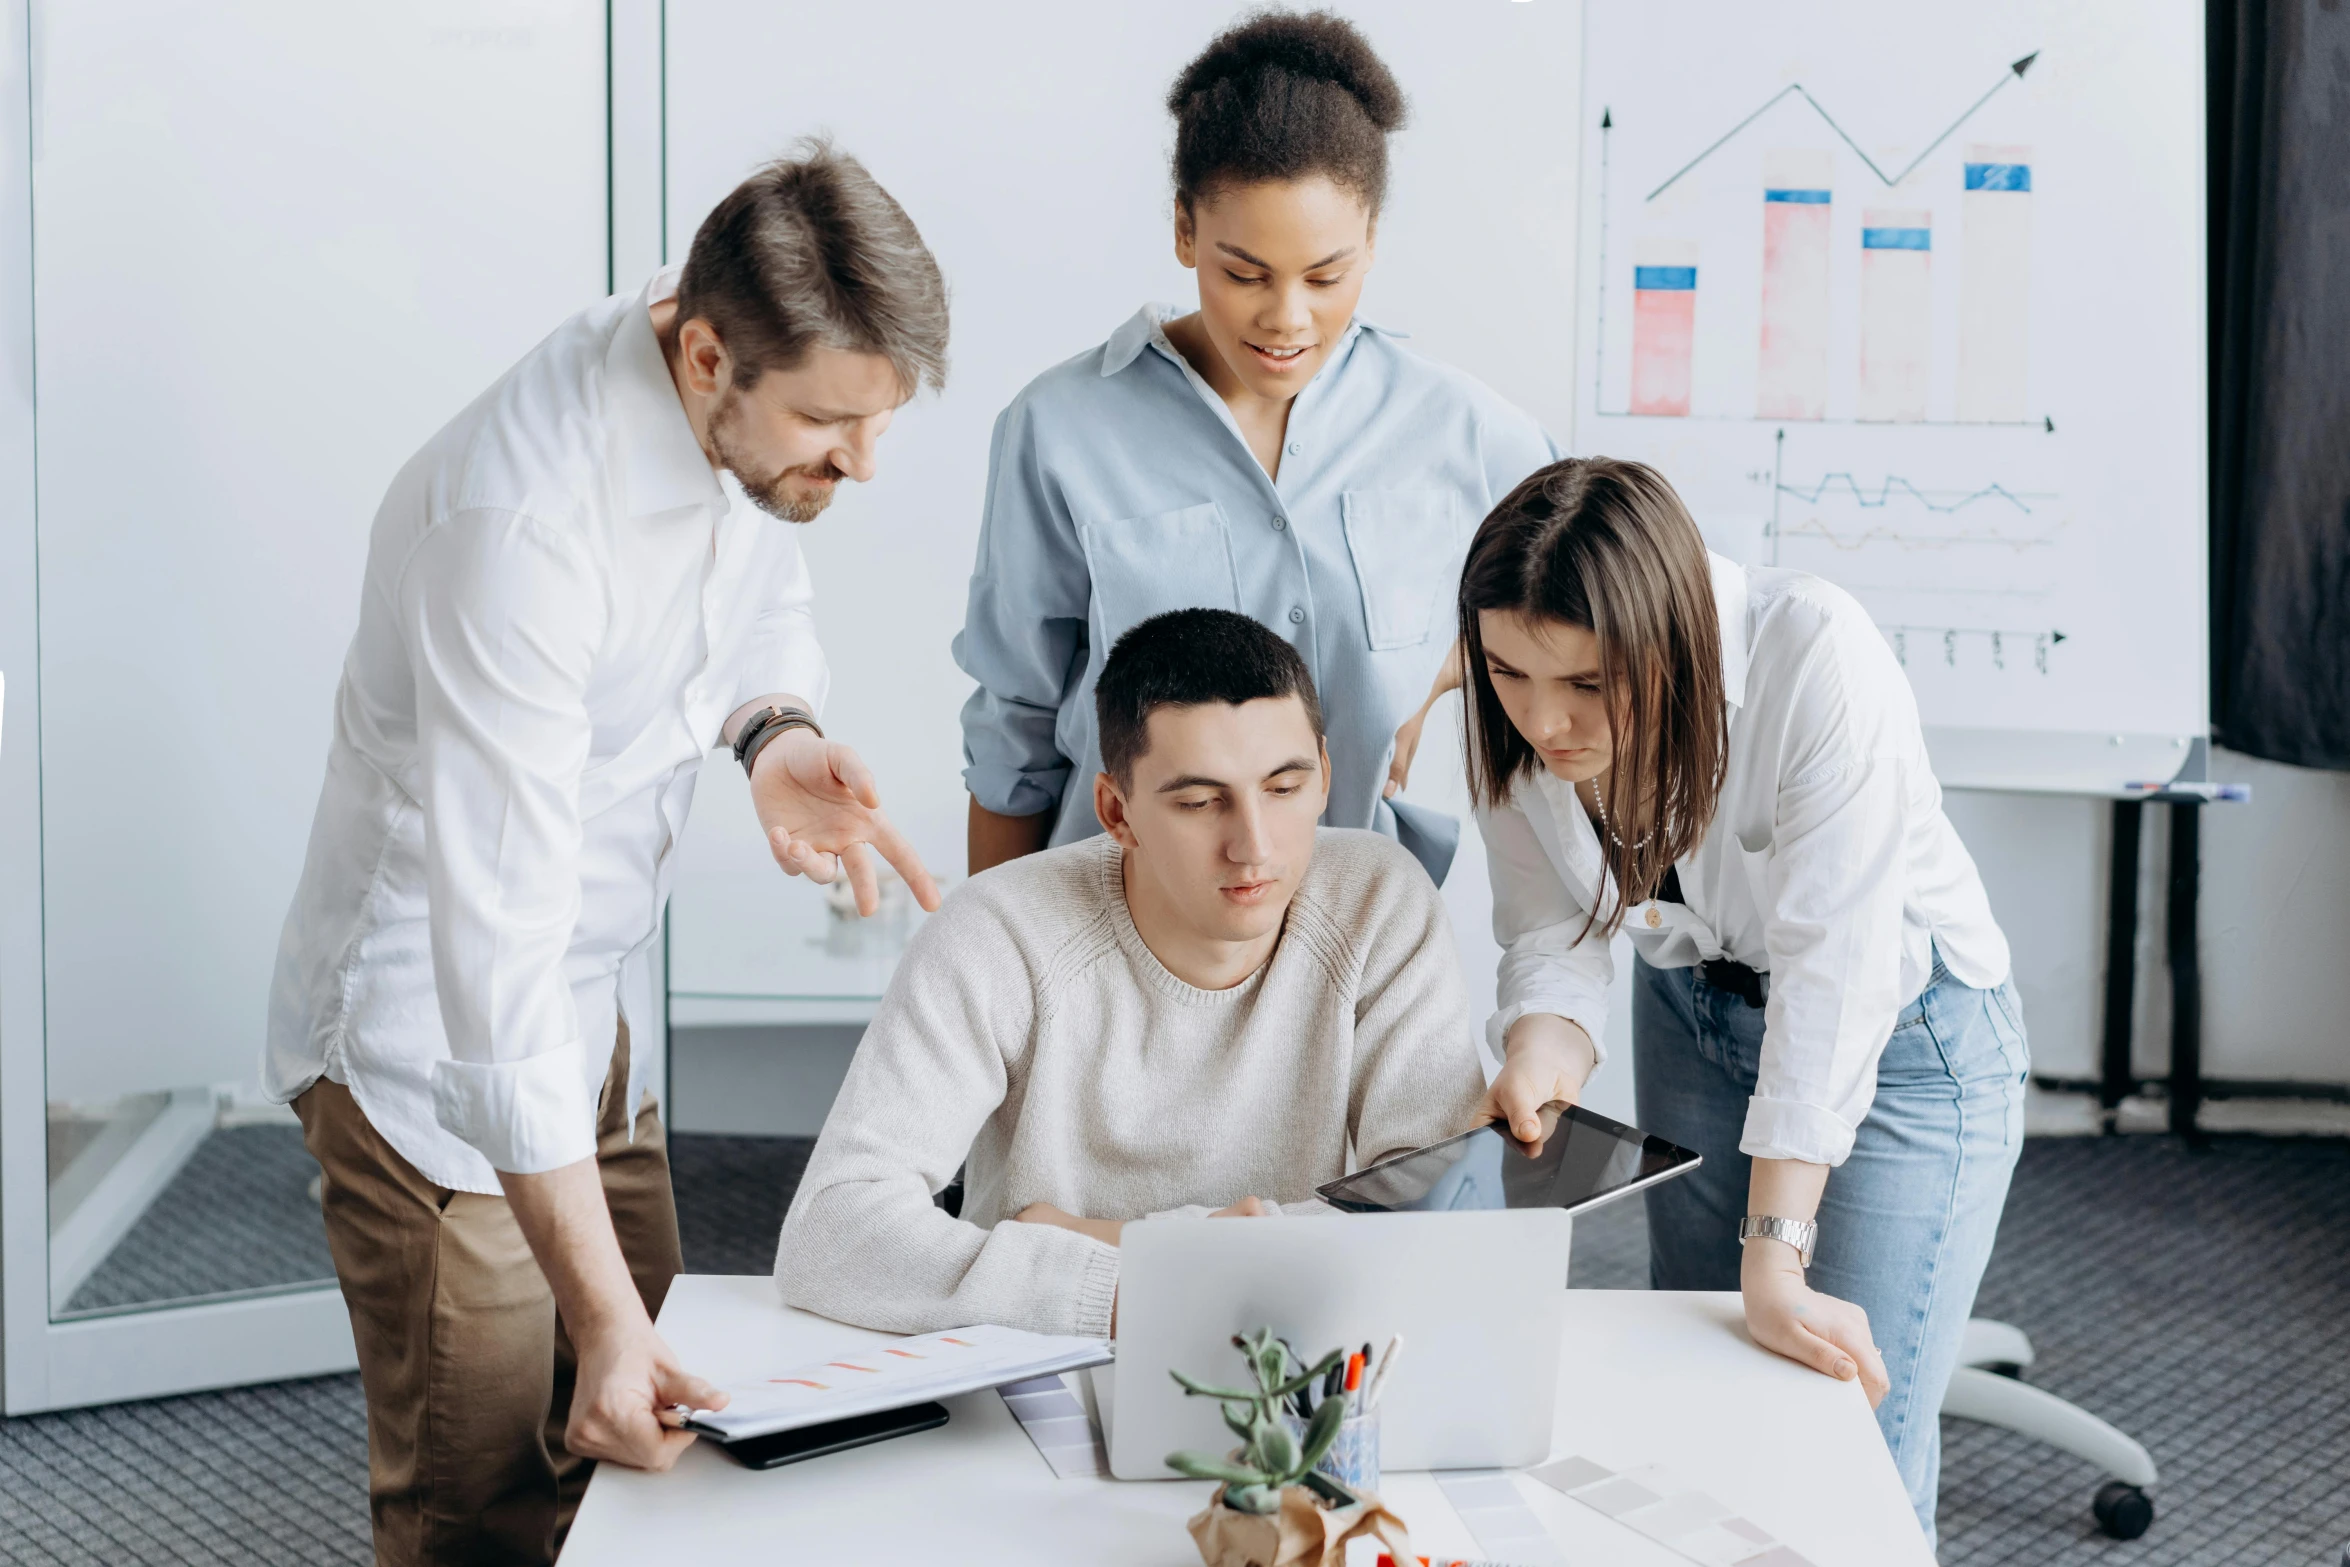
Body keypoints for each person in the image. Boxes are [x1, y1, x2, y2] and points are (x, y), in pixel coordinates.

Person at [264, 143, 948, 1566]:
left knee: (663, 1440)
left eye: (880, 423)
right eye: (834, 425)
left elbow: (758, 588)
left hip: (591, 1012)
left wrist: (774, 733)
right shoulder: (513, 528)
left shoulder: (718, 386)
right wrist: (595, 1312)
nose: (861, 463)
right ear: (706, 356)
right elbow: (492, 954)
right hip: (432, 1052)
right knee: (491, 1506)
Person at [1461, 458, 2025, 1544]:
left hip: (1903, 1036)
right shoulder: (1518, 702)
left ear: (1666, 640)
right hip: (1690, 1009)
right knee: (1703, 1378)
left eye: (1584, 685)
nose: (1543, 722)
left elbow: (1835, 973)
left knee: (1843, 1427)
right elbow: (1550, 929)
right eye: (1507, 674)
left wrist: (1776, 1250)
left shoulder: (1817, 656)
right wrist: (1542, 1054)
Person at [955, 8, 1557, 887]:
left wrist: (1445, 668)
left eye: (1326, 275)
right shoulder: (1058, 430)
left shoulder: (1463, 430)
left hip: (1346, 934)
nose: (1287, 318)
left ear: (1373, 242)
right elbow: (1013, 729)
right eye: (1244, 273)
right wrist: (991, 974)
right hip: (1107, 926)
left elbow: (1592, 614)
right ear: (1184, 232)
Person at [777, 608, 1488, 1335]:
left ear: (1326, 774)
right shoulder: (998, 930)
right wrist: (1136, 1288)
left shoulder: (1381, 902)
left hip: (1300, 1375)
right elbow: (831, 1228)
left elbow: (1436, 1219)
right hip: (1037, 1370)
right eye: (1200, 801)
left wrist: (1106, 1237)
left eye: (1283, 788)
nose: (1253, 846)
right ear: (1117, 811)